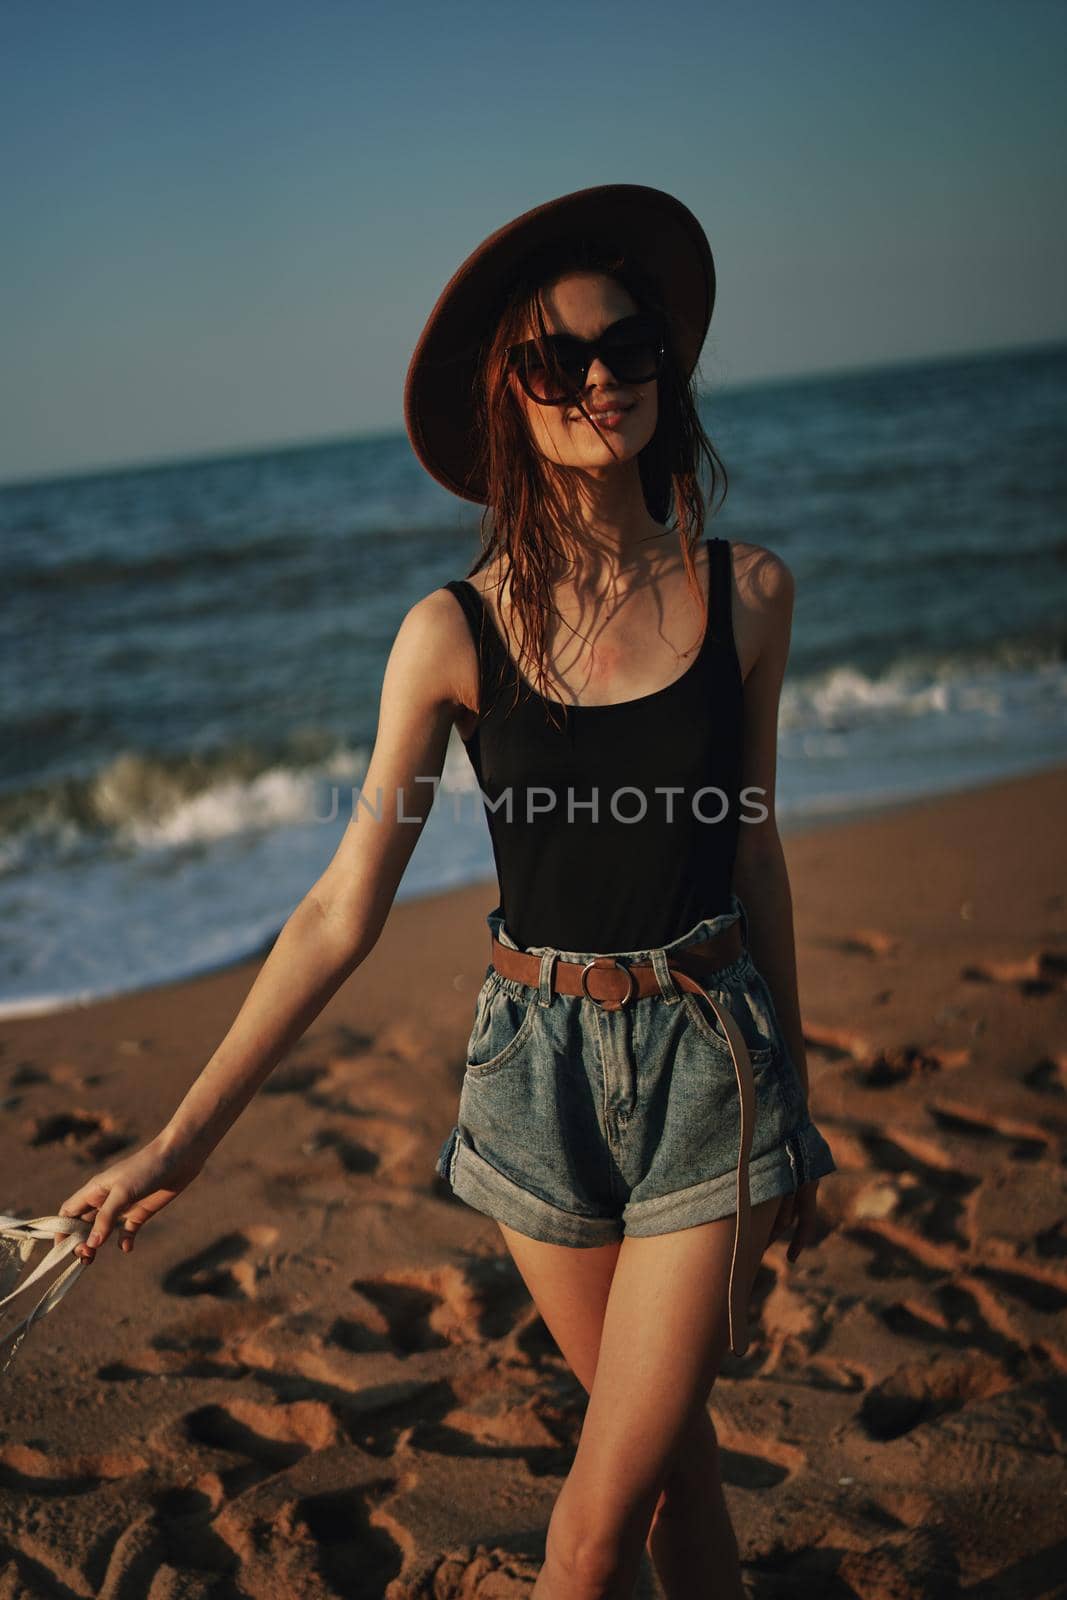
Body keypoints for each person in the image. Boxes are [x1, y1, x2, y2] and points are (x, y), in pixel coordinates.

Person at [56, 185, 837, 1599]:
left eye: (629, 345)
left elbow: (756, 853)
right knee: (668, 1479)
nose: (603, 378)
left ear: (667, 361)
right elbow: (342, 909)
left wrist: (806, 1113)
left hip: (712, 1068)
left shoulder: (754, 598)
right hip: (532, 1083)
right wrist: (177, 1145)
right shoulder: (449, 636)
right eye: (560, 361)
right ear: (512, 401)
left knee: (590, 1530)